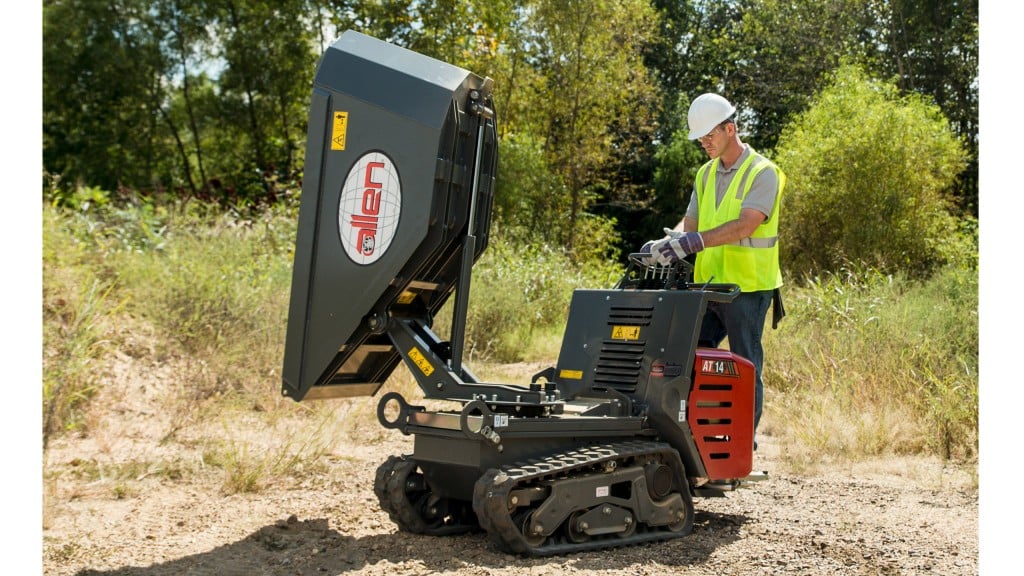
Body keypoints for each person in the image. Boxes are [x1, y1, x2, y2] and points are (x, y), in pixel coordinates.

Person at [641, 92, 786, 449]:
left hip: (747, 288)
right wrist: (669, 241)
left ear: (730, 128)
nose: (704, 143)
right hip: (707, 287)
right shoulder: (705, 174)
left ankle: (740, 447)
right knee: (689, 359)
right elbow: (690, 224)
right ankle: (702, 440)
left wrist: (691, 243)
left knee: (744, 365)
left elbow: (744, 226)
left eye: (710, 136)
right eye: (701, 138)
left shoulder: (763, 173)